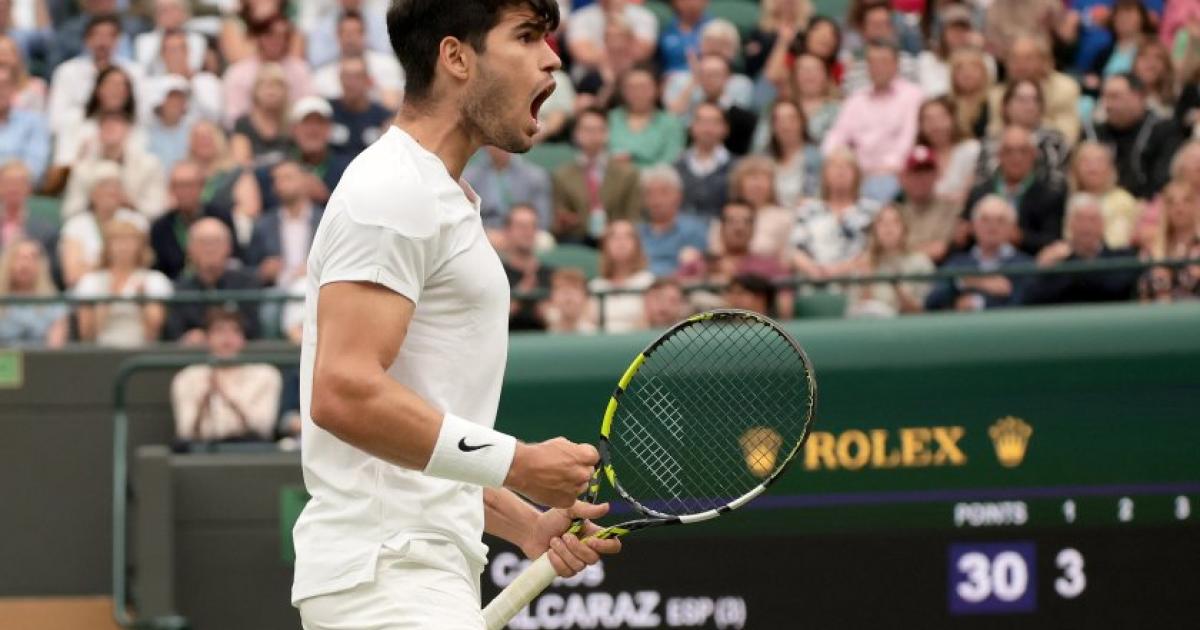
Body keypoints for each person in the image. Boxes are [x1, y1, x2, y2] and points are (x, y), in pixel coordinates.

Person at [294, 3, 620, 628]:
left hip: (411, 573)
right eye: (526, 37)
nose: (552, 58)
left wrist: (525, 524)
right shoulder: (394, 190)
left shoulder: (434, 195)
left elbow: (412, 438)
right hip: (388, 577)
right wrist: (520, 462)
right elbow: (342, 392)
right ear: (456, 57)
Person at [822, 40, 922, 203]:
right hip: (855, 173)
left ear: (896, 64)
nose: (877, 67)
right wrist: (835, 160)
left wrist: (881, 170)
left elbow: (908, 141)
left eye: (883, 62)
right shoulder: (856, 99)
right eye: (872, 63)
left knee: (879, 186)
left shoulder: (913, 96)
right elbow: (837, 135)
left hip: (894, 174)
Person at [170, 308, 283, 443]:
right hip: (201, 448)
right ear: (207, 338)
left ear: (243, 339)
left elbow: (263, 428)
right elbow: (185, 432)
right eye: (219, 330)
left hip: (248, 447)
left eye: (235, 331)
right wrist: (203, 401)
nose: (227, 338)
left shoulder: (266, 375)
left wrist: (227, 395)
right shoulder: (187, 378)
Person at [964, 126, 1067, 256]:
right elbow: (966, 234)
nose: (1016, 157)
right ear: (999, 156)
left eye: (1023, 151)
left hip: (1029, 263)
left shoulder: (1049, 196)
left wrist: (1020, 237)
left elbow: (1053, 241)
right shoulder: (978, 193)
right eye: (1009, 151)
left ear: (1033, 155)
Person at [74, 215, 174, 347]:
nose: (123, 247)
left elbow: (154, 333)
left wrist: (143, 302)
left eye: (129, 241)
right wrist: (106, 301)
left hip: (142, 351)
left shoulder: (154, 280)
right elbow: (87, 335)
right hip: (101, 351)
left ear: (141, 246)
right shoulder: (91, 281)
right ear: (107, 246)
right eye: (117, 241)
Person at [1024, 193, 1140, 305]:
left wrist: (1073, 263)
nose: (1086, 227)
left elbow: (1115, 286)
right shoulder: (1056, 260)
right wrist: (1041, 270)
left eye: (1092, 220)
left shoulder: (1121, 258)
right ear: (1069, 224)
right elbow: (1031, 298)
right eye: (1080, 219)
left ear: (1102, 224)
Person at [551, 107, 641, 244]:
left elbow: (633, 218)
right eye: (587, 129)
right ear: (576, 134)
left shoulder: (628, 174)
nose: (593, 135)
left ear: (607, 133)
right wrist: (566, 221)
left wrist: (615, 230)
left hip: (617, 241)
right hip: (577, 240)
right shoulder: (562, 176)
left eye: (599, 129)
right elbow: (558, 219)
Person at [927, 195, 1033, 311]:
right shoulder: (957, 262)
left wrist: (978, 303)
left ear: (1012, 228)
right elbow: (933, 300)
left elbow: (1022, 302)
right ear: (973, 226)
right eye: (985, 220)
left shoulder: (1026, 265)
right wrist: (976, 282)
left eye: (1000, 220)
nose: (992, 226)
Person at [165, 217, 261, 344]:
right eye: (203, 242)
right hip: (196, 354)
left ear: (229, 247)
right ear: (190, 249)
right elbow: (174, 333)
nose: (210, 249)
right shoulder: (180, 289)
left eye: (216, 242)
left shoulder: (247, 284)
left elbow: (254, 329)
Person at [1090, 73, 1183, 200]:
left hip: (1147, 203)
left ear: (1138, 97)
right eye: (1105, 97)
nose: (1108, 105)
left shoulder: (1163, 130)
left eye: (1115, 97)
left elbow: (1163, 180)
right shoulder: (1094, 132)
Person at [792, 149, 881, 279]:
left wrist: (841, 269)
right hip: (813, 281)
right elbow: (794, 249)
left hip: (857, 281)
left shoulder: (872, 210)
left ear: (857, 175)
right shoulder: (808, 210)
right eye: (834, 166)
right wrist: (813, 270)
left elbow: (878, 250)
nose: (840, 171)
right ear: (824, 174)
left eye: (846, 167)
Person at [58, 162, 149, 288]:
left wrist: (91, 266)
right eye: (104, 185)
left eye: (116, 186)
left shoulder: (137, 221)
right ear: (92, 193)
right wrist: (112, 263)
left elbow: (144, 263)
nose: (111, 191)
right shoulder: (75, 224)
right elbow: (72, 276)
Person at [61, 112, 168, 219]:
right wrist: (95, 200)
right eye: (105, 123)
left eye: (117, 122)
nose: (110, 126)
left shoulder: (149, 165)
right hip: (91, 223)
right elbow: (69, 211)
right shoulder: (82, 168)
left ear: (128, 130)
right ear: (98, 131)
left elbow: (157, 210)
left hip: (134, 223)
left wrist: (129, 203)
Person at [221, 13, 313, 128]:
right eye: (270, 35)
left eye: (282, 36)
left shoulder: (300, 70)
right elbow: (234, 117)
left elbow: (307, 110)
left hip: (292, 132)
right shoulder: (238, 73)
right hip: (250, 133)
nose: (276, 41)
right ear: (259, 36)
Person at [976, 79, 1071, 188]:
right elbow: (981, 181)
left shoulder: (1054, 141)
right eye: (1022, 100)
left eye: (1035, 100)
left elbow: (1057, 182)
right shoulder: (990, 141)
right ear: (1006, 106)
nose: (1030, 106)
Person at [151, 160, 237, 280]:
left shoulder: (221, 217)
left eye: (190, 185)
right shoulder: (161, 227)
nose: (185, 192)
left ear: (202, 186)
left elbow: (235, 256)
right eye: (179, 186)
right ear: (171, 189)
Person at [988, 35, 1082, 145]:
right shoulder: (996, 95)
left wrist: (1027, 122)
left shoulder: (1065, 88)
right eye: (1014, 59)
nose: (1020, 64)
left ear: (1043, 62)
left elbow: (1067, 136)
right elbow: (993, 133)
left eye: (1028, 58)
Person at [846, 204, 934, 317]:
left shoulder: (920, 262)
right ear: (874, 230)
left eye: (895, 222)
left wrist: (897, 287)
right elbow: (856, 313)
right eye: (882, 223)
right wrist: (866, 283)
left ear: (905, 228)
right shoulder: (863, 262)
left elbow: (923, 312)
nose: (888, 228)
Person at [246, 161, 323, 289]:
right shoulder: (263, 225)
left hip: (316, 290)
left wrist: (315, 269)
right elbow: (248, 267)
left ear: (305, 180)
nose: (280, 184)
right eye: (276, 179)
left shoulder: (324, 220)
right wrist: (263, 272)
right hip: (276, 292)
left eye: (288, 177)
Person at [187, 120, 263, 245]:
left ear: (218, 140)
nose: (203, 141)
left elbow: (251, 208)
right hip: (190, 230)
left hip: (228, 232)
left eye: (208, 136)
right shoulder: (183, 174)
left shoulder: (237, 172)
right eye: (198, 137)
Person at [709, 156, 795, 264]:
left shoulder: (785, 217)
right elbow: (715, 251)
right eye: (752, 178)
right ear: (739, 183)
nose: (758, 184)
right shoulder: (726, 212)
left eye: (764, 178)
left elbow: (788, 257)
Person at [312, 10, 405, 110]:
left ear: (365, 34)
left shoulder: (387, 65)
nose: (350, 38)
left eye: (355, 32)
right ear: (337, 36)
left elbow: (393, 106)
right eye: (345, 33)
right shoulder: (322, 76)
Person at [607, 66, 685, 168]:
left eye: (643, 87)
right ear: (623, 91)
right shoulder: (609, 119)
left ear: (657, 89)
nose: (638, 93)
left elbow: (671, 159)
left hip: (657, 176)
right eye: (632, 88)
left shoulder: (671, 123)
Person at [636, 164, 707, 277]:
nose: (656, 200)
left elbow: (697, 269)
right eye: (649, 193)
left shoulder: (694, 230)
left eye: (663, 193)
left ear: (679, 196)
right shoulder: (636, 233)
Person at [1069, 141, 1142, 249]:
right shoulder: (1067, 199)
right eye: (1086, 162)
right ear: (1075, 168)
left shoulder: (1123, 201)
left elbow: (1118, 243)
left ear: (1110, 168)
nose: (1092, 168)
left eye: (1099, 161)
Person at [588, 219, 655, 334]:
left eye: (627, 237)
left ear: (637, 245)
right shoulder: (595, 286)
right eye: (614, 237)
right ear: (605, 245)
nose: (621, 242)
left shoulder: (648, 282)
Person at [142, 28, 222, 123]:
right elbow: (147, 119)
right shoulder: (151, 85)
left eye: (180, 49)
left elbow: (216, 116)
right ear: (162, 54)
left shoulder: (207, 80)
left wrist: (192, 84)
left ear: (188, 51)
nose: (176, 55)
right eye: (171, 50)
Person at [463, 145, 552, 230]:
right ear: (485, 145)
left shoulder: (536, 177)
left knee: (544, 238)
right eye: (494, 142)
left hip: (526, 231)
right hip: (484, 231)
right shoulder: (469, 178)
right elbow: (467, 219)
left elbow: (543, 220)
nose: (500, 147)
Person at [1138, 180, 1200, 301]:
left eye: (1186, 201)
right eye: (1172, 202)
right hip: (1158, 311)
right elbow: (1144, 293)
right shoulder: (1153, 249)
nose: (1179, 208)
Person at [0, 238, 67, 348]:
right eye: (19, 257)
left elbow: (55, 347)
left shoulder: (54, 303)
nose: (25, 264)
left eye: (32, 257)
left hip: (40, 357)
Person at [898, 145, 960, 264]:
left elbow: (938, 250)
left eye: (927, 171)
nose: (921, 178)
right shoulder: (895, 212)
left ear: (937, 174)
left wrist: (901, 254)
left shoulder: (949, 208)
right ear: (904, 177)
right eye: (915, 172)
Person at [567, 0, 657, 80]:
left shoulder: (644, 16)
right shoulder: (579, 17)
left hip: (633, 73)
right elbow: (584, 54)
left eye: (619, 36)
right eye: (610, 37)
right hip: (591, 74)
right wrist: (609, 66)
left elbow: (642, 51)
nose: (615, 43)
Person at [675, 102, 734, 220]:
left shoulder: (737, 167)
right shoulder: (676, 166)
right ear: (691, 126)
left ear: (726, 128)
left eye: (714, 122)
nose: (708, 128)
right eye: (702, 121)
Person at [917, 96, 980, 206]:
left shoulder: (971, 149)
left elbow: (970, 193)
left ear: (952, 119)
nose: (935, 125)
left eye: (941, 118)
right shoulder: (918, 156)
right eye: (928, 119)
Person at [500, 204, 553, 331]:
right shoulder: (495, 275)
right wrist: (518, 298)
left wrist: (550, 313)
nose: (527, 232)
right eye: (521, 226)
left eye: (532, 226)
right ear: (507, 231)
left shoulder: (553, 276)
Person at [230, 63, 293, 170]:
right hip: (253, 176)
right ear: (255, 90)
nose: (271, 91)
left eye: (277, 85)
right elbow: (240, 163)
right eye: (266, 85)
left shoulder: (291, 123)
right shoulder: (243, 123)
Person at [329, 56, 394, 156]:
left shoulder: (383, 117)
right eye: (346, 77)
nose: (351, 83)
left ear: (368, 80)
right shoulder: (327, 112)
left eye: (357, 77)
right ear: (340, 79)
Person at [764, 99, 821, 208]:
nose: (785, 126)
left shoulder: (816, 158)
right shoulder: (764, 159)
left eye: (791, 119)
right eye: (779, 120)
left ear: (802, 122)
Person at [0, 65, 49, 185]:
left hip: (17, 187)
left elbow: (36, 166)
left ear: (14, 89)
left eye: (5, 85)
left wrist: (9, 178)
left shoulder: (33, 121)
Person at [133, 0, 206, 74]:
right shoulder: (144, 41)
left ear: (183, 12)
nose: (165, 13)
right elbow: (144, 68)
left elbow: (194, 67)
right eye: (161, 9)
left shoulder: (196, 39)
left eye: (172, 8)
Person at [141, 74, 195, 173]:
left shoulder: (193, 130)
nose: (175, 104)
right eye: (171, 99)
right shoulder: (145, 132)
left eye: (180, 99)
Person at [0, 161, 55, 253]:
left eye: (19, 183)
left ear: (29, 188)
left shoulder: (45, 231)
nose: (13, 188)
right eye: (8, 182)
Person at [948, 48, 993, 140]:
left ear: (984, 72)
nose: (967, 73)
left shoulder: (997, 100)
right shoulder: (947, 105)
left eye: (974, 68)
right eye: (960, 69)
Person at [659, 0, 711, 75]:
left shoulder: (715, 29)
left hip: (706, 76)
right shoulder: (666, 29)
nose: (691, 3)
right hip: (672, 77)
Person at [543, 266, 598, 334]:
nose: (568, 295)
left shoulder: (593, 334)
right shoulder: (546, 334)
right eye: (561, 289)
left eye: (574, 289)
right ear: (552, 297)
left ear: (585, 296)